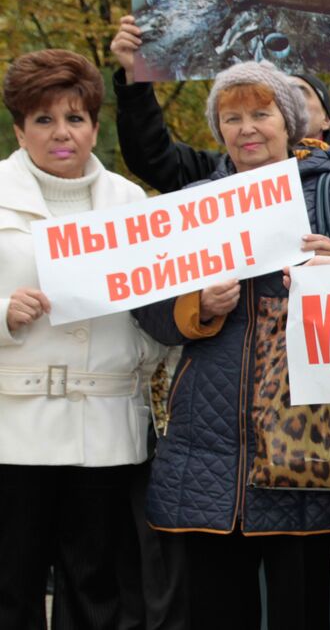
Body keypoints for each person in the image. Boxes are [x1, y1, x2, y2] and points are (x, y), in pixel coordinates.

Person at [132, 62, 330, 630]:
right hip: (210, 443)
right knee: (219, 608)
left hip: (307, 439)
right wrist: (195, 307)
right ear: (218, 129)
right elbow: (147, 310)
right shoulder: (195, 203)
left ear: (289, 122)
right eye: (232, 117)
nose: (247, 128)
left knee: (303, 608)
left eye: (261, 114)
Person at [0, 49, 166, 630]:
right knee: (11, 588)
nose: (61, 133)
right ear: (19, 128)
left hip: (106, 427)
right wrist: (3, 313)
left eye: (74, 118)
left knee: (99, 591)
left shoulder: (132, 203)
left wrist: (145, 358)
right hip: (12, 430)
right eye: (43, 119)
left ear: (96, 124)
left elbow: (157, 312)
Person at [108, 8, 330, 193]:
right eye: (234, 117)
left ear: (325, 119)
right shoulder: (214, 180)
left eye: (299, 92)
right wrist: (135, 76)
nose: (249, 126)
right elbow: (150, 156)